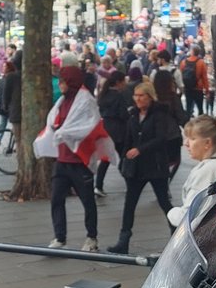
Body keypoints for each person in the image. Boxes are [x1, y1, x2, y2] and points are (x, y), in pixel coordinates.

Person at [33, 66, 113, 252]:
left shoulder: (86, 102)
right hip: (62, 160)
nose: (60, 84)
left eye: (63, 80)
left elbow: (88, 126)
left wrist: (62, 132)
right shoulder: (61, 101)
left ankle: (91, 238)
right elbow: (55, 123)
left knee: (87, 201)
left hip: (79, 162)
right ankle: (59, 237)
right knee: (56, 200)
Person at [110, 82, 174, 254]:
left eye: (141, 96)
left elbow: (161, 139)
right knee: (129, 204)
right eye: (135, 96)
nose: (137, 99)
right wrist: (123, 161)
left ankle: (177, 236)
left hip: (155, 166)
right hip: (136, 169)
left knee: (164, 202)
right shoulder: (133, 114)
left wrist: (140, 149)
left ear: (150, 97)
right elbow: (128, 139)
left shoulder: (159, 114)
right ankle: (123, 240)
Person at [167, 115, 216, 229]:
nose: (186, 143)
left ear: (207, 143)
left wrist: (171, 213)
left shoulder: (207, 171)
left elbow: (187, 216)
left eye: (192, 138)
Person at [94, 69, 130, 197]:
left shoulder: (104, 95)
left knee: (106, 158)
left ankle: (98, 185)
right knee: (124, 157)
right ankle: (130, 182)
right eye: (124, 82)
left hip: (106, 128)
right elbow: (123, 114)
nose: (125, 84)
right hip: (119, 130)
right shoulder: (119, 96)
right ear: (118, 82)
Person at [179, 45, 209, 118]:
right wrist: (207, 90)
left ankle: (187, 125)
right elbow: (205, 77)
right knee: (200, 108)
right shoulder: (201, 63)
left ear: (191, 51)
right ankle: (201, 124)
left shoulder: (183, 62)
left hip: (188, 88)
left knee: (188, 107)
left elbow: (180, 75)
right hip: (198, 88)